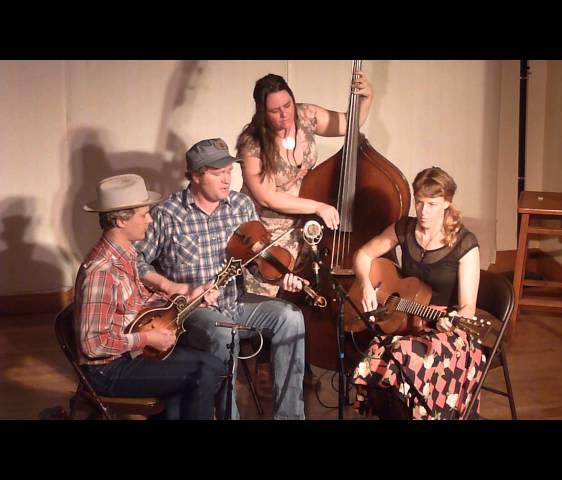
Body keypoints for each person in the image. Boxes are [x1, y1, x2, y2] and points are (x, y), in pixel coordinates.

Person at [135, 138, 307, 420]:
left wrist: (279, 279)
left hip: (235, 302)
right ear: (196, 175)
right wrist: (173, 287)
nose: (227, 179)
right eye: (218, 173)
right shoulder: (167, 214)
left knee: (291, 317)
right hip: (192, 313)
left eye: (229, 171)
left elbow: (255, 265)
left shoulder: (241, 207)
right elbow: (135, 261)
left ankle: (289, 417)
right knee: (223, 334)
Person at [235, 69, 373, 385]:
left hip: (303, 227)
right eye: (275, 110)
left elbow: (351, 124)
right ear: (261, 111)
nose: (285, 114)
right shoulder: (252, 142)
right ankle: (266, 363)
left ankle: (300, 360)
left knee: (302, 291)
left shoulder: (306, 115)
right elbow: (266, 195)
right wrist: (318, 206)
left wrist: (367, 98)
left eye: (287, 105)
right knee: (273, 297)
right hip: (266, 231)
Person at [75, 173, 225, 420]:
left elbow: (142, 303)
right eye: (143, 214)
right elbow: (93, 344)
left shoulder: (128, 254)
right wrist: (147, 338)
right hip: (108, 369)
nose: (150, 220)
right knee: (203, 372)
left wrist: (190, 296)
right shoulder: (102, 271)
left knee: (213, 365)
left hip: (130, 354)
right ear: (121, 221)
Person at [351, 167, 487, 420]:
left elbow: (468, 306)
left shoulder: (465, 243)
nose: (423, 212)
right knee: (377, 351)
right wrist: (366, 284)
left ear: (447, 202)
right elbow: (363, 255)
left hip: (448, 331)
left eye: (432, 204)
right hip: (406, 318)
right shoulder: (404, 228)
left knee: (400, 355)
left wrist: (452, 319)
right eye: (420, 202)